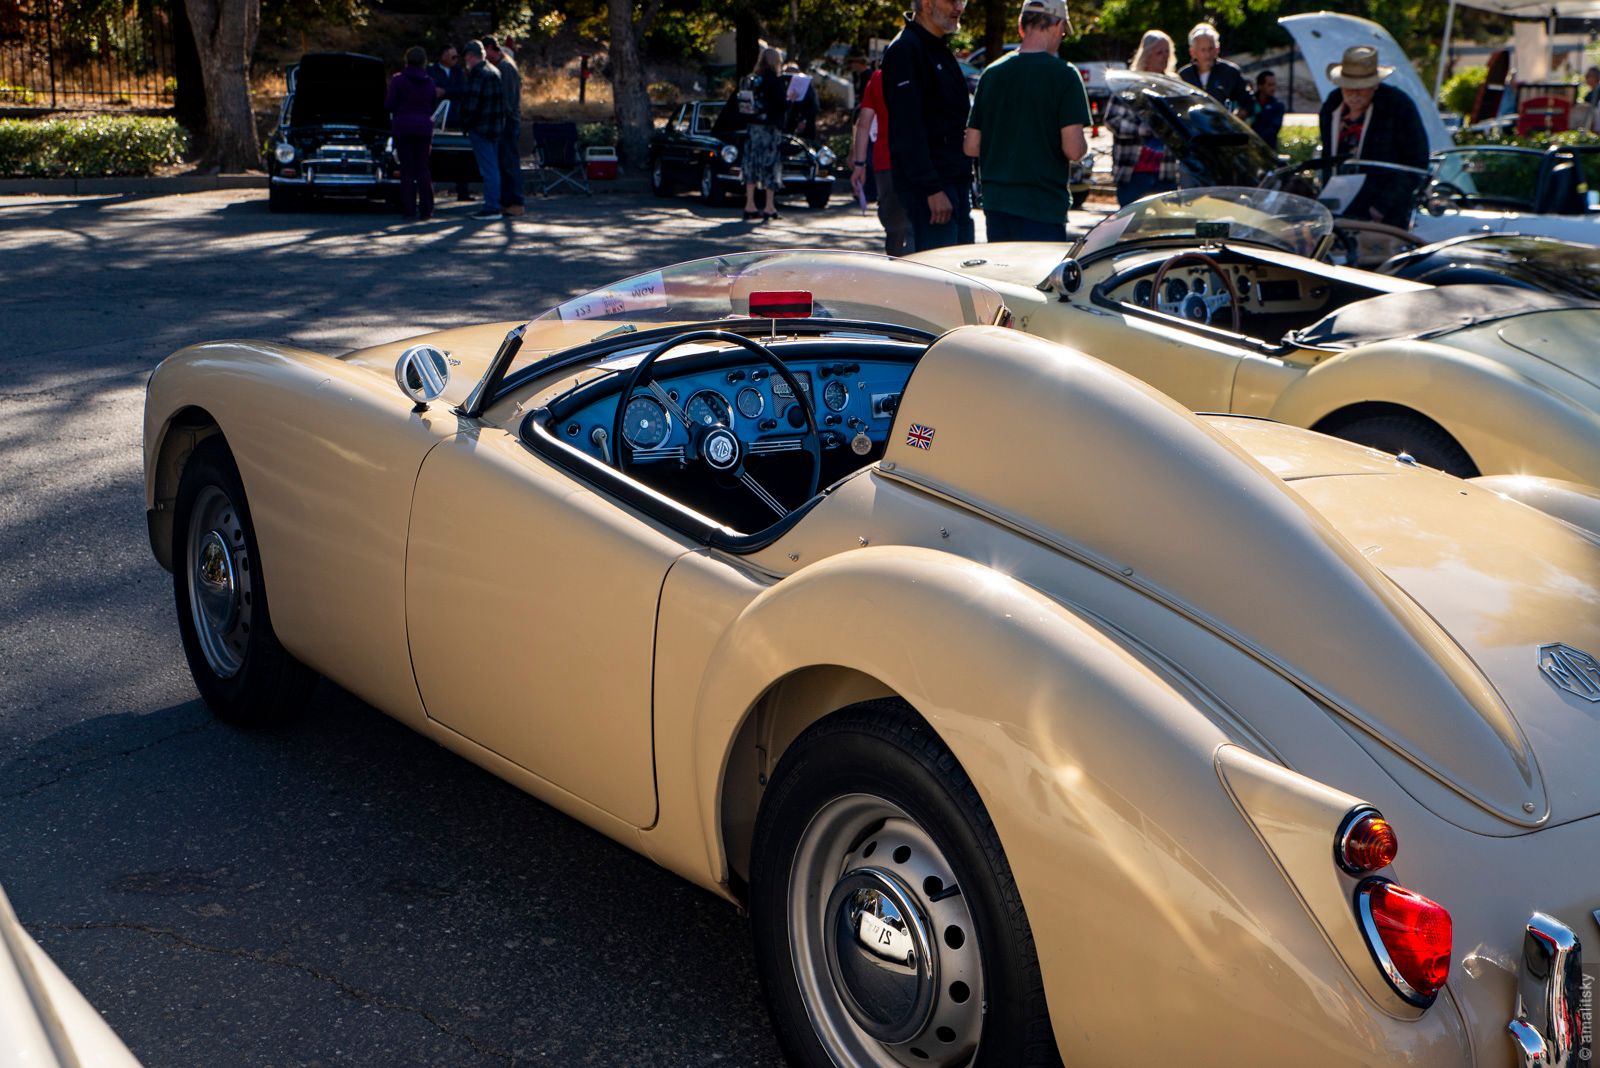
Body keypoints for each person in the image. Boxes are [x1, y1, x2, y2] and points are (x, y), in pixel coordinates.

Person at [963, 0, 1089, 242]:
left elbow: (971, 146)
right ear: (1058, 25)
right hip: (1043, 206)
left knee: (1002, 278)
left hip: (997, 205)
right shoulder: (1065, 75)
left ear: (1021, 27)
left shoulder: (991, 74)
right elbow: (1073, 149)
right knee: (1039, 280)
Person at [883, 0, 974, 251]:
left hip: (955, 183)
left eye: (962, 1)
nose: (959, 7)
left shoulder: (938, 47)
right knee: (938, 283)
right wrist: (931, 188)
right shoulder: (905, 50)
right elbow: (907, 127)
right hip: (932, 193)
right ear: (925, 3)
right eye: (952, 1)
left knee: (963, 280)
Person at [1316, 45, 1429, 228]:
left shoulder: (1398, 106)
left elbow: (1416, 163)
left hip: (1383, 215)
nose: (1354, 94)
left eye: (1361, 87)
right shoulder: (1332, 105)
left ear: (1375, 84)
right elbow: (1328, 158)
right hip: (1338, 209)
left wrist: (1381, 207)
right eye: (1348, 86)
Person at [1105, 29, 1180, 207]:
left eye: (1167, 52)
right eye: (1159, 52)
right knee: (1131, 230)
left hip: (1165, 171)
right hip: (1133, 171)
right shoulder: (1128, 85)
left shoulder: (1173, 86)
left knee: (1165, 229)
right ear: (1146, 55)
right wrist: (1139, 130)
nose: (1164, 57)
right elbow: (1112, 120)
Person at [850, 67, 912, 255]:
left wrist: (859, 164)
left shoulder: (879, 77)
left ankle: (895, 262)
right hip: (919, 157)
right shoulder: (923, 69)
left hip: (886, 160)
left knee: (893, 225)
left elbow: (864, 123)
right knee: (916, 222)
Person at [385, 46, 439, 221]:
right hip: (423, 128)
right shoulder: (429, 81)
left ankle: (408, 208)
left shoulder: (398, 80)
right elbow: (432, 104)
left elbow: (390, 104)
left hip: (403, 127)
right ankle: (427, 208)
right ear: (424, 62)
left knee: (407, 169)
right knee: (423, 168)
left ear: (406, 61)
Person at [740, 47, 789, 221]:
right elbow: (781, 104)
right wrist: (791, 99)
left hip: (753, 127)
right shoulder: (774, 81)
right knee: (770, 165)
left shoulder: (750, 80)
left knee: (751, 163)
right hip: (769, 128)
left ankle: (750, 204)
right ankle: (769, 206)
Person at [459, 40, 505, 220]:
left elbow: (471, 105)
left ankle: (491, 207)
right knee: (493, 167)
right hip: (494, 127)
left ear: (470, 56)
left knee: (488, 169)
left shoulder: (478, 74)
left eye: (466, 57)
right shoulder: (495, 71)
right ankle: (493, 204)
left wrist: (465, 123)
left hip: (480, 127)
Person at [1178, 23, 1254, 120]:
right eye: (1203, 50)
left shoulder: (1230, 72)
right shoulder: (1183, 76)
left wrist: (1235, 119)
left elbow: (1248, 103)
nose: (1208, 54)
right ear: (1193, 52)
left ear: (1217, 49)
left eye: (1211, 49)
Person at [484, 37, 525, 216]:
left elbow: (508, 99)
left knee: (509, 162)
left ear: (494, 49)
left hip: (507, 121)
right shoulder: (502, 66)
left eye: (486, 52)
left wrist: (501, 119)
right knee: (503, 162)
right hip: (505, 120)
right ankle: (507, 200)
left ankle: (515, 201)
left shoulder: (505, 68)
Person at [427, 44, 470, 199]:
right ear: (443, 55)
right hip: (438, 117)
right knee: (434, 155)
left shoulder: (459, 72)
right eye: (452, 57)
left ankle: (463, 190)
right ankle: (430, 190)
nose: (455, 60)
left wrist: (446, 92)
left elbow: (464, 90)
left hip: (456, 117)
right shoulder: (431, 71)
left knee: (461, 155)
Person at [782, 62, 820, 140]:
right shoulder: (783, 86)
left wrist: (803, 120)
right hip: (788, 125)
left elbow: (813, 106)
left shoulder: (807, 87)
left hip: (803, 124)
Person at [1252, 69, 1285, 149]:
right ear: (1260, 86)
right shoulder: (1248, 102)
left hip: (1267, 150)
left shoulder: (1278, 105)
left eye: (1274, 85)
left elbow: (1274, 128)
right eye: (1269, 85)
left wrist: (1256, 140)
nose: (1273, 88)